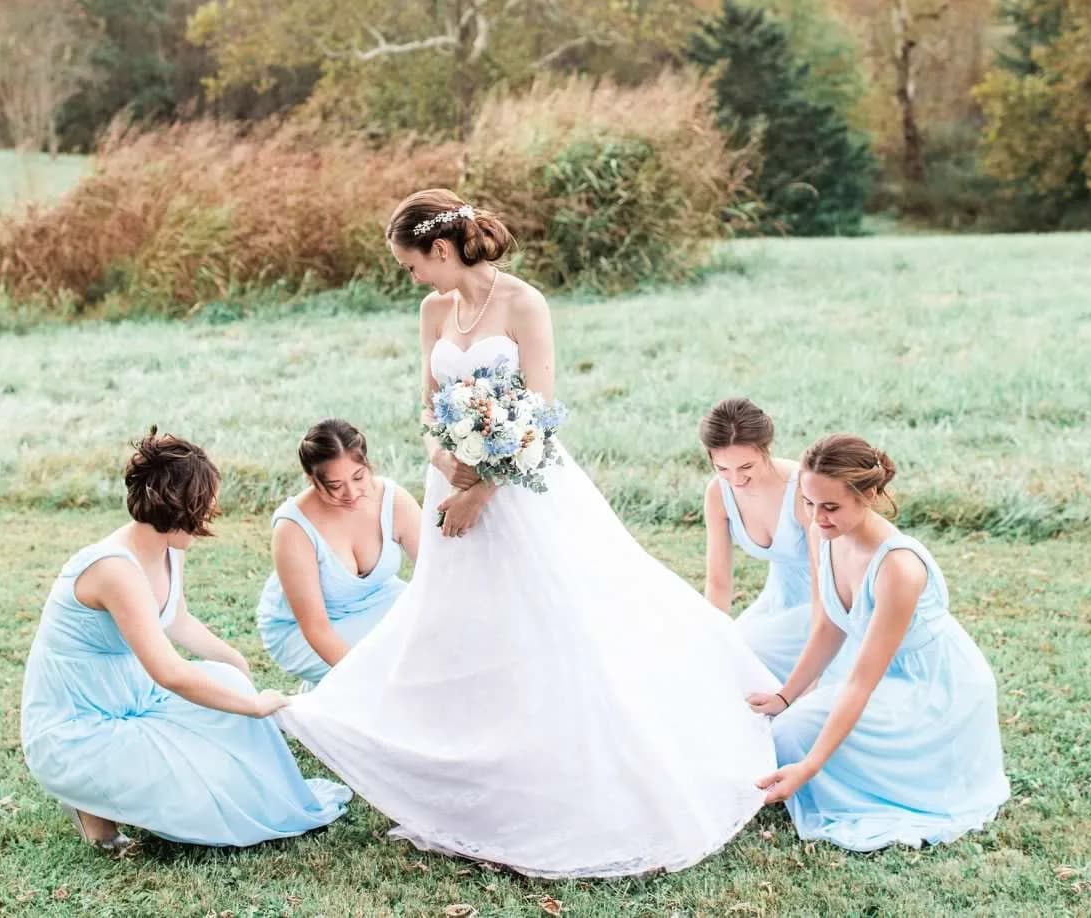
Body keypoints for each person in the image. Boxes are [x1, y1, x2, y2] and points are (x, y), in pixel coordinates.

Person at [279, 190, 776, 877]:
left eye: (412, 264)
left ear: (442, 250)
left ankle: (571, 786)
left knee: (555, 628)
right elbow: (426, 411)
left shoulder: (523, 304)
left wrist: (485, 488)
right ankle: (467, 792)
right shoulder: (432, 311)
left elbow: (540, 416)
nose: (412, 278)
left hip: (524, 491)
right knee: (461, 630)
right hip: (450, 488)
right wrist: (445, 462)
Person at [20, 428, 349, 853]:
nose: (211, 516)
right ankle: (90, 804)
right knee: (204, 798)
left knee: (227, 685)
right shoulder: (114, 569)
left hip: (134, 698)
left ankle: (117, 787)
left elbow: (177, 618)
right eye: (203, 510)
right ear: (175, 506)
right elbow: (169, 672)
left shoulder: (168, 547)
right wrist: (251, 705)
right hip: (79, 727)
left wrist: (236, 666)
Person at [748, 434, 1008, 852]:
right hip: (880, 674)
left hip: (933, 689)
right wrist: (785, 694)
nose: (817, 518)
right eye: (809, 504)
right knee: (779, 725)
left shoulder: (898, 567)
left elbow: (860, 684)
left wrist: (811, 767)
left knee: (795, 734)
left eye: (831, 507)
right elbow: (830, 627)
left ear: (869, 494)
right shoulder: (826, 534)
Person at [257, 419, 420, 687]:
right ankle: (330, 701)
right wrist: (365, 680)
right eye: (335, 485)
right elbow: (315, 628)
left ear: (368, 465)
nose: (352, 493)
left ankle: (327, 698)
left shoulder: (394, 500)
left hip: (379, 601)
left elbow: (435, 576)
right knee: (385, 661)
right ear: (312, 481)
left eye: (359, 477)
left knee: (429, 635)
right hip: (302, 629)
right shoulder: (292, 528)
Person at [700, 397, 813, 681]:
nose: (736, 480)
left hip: (832, 598)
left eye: (746, 467)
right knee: (728, 655)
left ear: (766, 449)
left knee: (753, 651)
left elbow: (833, 579)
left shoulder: (803, 488)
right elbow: (718, 584)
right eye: (722, 469)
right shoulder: (718, 494)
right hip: (780, 599)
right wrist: (715, 640)